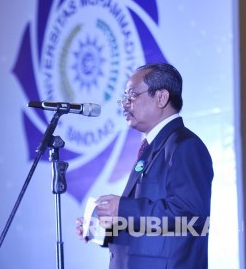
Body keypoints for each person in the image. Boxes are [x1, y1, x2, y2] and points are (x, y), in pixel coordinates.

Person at [76, 63, 214, 268]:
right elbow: (150, 228)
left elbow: (189, 216)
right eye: (124, 97)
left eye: (132, 95)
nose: (124, 103)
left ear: (161, 98)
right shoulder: (154, 146)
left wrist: (122, 208)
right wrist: (103, 227)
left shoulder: (185, 146)